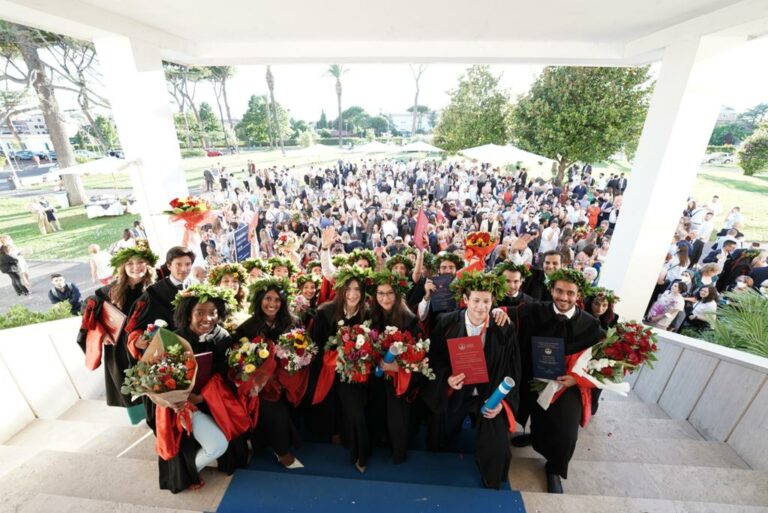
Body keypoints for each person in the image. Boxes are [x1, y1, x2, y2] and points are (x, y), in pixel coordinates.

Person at [142, 284, 239, 493]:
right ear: (188, 314)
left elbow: (225, 373)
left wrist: (204, 397)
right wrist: (175, 401)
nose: (208, 318)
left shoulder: (222, 336)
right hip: (181, 406)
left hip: (211, 400)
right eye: (200, 313)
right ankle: (187, 470)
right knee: (216, 445)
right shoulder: (172, 340)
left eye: (213, 312)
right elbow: (155, 379)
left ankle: (195, 464)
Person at [513, 269, 602, 494]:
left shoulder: (591, 324)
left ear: (579, 294)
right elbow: (509, 312)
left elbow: (599, 359)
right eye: (559, 291)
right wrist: (500, 313)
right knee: (539, 419)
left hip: (568, 385)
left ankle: (555, 468)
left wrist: (576, 379)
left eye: (570, 293)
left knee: (566, 432)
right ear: (551, 289)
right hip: (535, 379)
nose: (563, 297)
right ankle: (535, 438)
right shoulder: (533, 311)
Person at [429, 270, 520, 489]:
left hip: (489, 396)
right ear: (465, 300)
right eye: (476, 300)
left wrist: (502, 403)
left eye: (486, 301)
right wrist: (448, 379)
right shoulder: (447, 323)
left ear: (493, 301)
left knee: (498, 452)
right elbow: (434, 360)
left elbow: (513, 369)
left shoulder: (503, 327)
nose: (481, 307)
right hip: (457, 392)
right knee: (436, 441)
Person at [78, 241, 157, 417]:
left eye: (140, 262)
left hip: (147, 343)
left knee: (154, 380)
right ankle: (141, 416)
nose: (136, 267)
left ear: (148, 264)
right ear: (123, 267)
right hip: (121, 346)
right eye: (130, 263)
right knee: (130, 383)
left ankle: (156, 414)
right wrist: (102, 332)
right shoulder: (112, 289)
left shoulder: (155, 287)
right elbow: (87, 306)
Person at [234, 277, 304, 469]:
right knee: (274, 409)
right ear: (259, 300)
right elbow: (240, 359)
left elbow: (301, 351)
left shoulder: (293, 323)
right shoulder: (247, 327)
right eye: (267, 298)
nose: (272, 304)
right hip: (261, 384)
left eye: (277, 300)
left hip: (287, 378)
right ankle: (282, 452)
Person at [308, 265, 370, 470]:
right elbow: (315, 345)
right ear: (341, 290)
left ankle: (360, 453)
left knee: (355, 410)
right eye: (349, 289)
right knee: (331, 407)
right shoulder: (325, 311)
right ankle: (335, 434)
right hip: (328, 369)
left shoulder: (368, 313)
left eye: (357, 290)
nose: (353, 295)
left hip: (355, 373)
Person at [369, 270, 421, 464]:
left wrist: (396, 367)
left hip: (398, 377)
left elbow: (417, 355)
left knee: (396, 415)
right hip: (377, 374)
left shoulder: (410, 320)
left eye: (390, 293)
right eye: (380, 293)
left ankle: (398, 451)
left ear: (397, 294)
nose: (385, 297)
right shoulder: (372, 315)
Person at [124, 246, 195, 360]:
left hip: (193, 347)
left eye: (188, 264)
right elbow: (136, 327)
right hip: (166, 353)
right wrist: (137, 340)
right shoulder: (153, 294)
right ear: (168, 266)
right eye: (178, 264)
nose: (184, 269)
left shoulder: (196, 286)